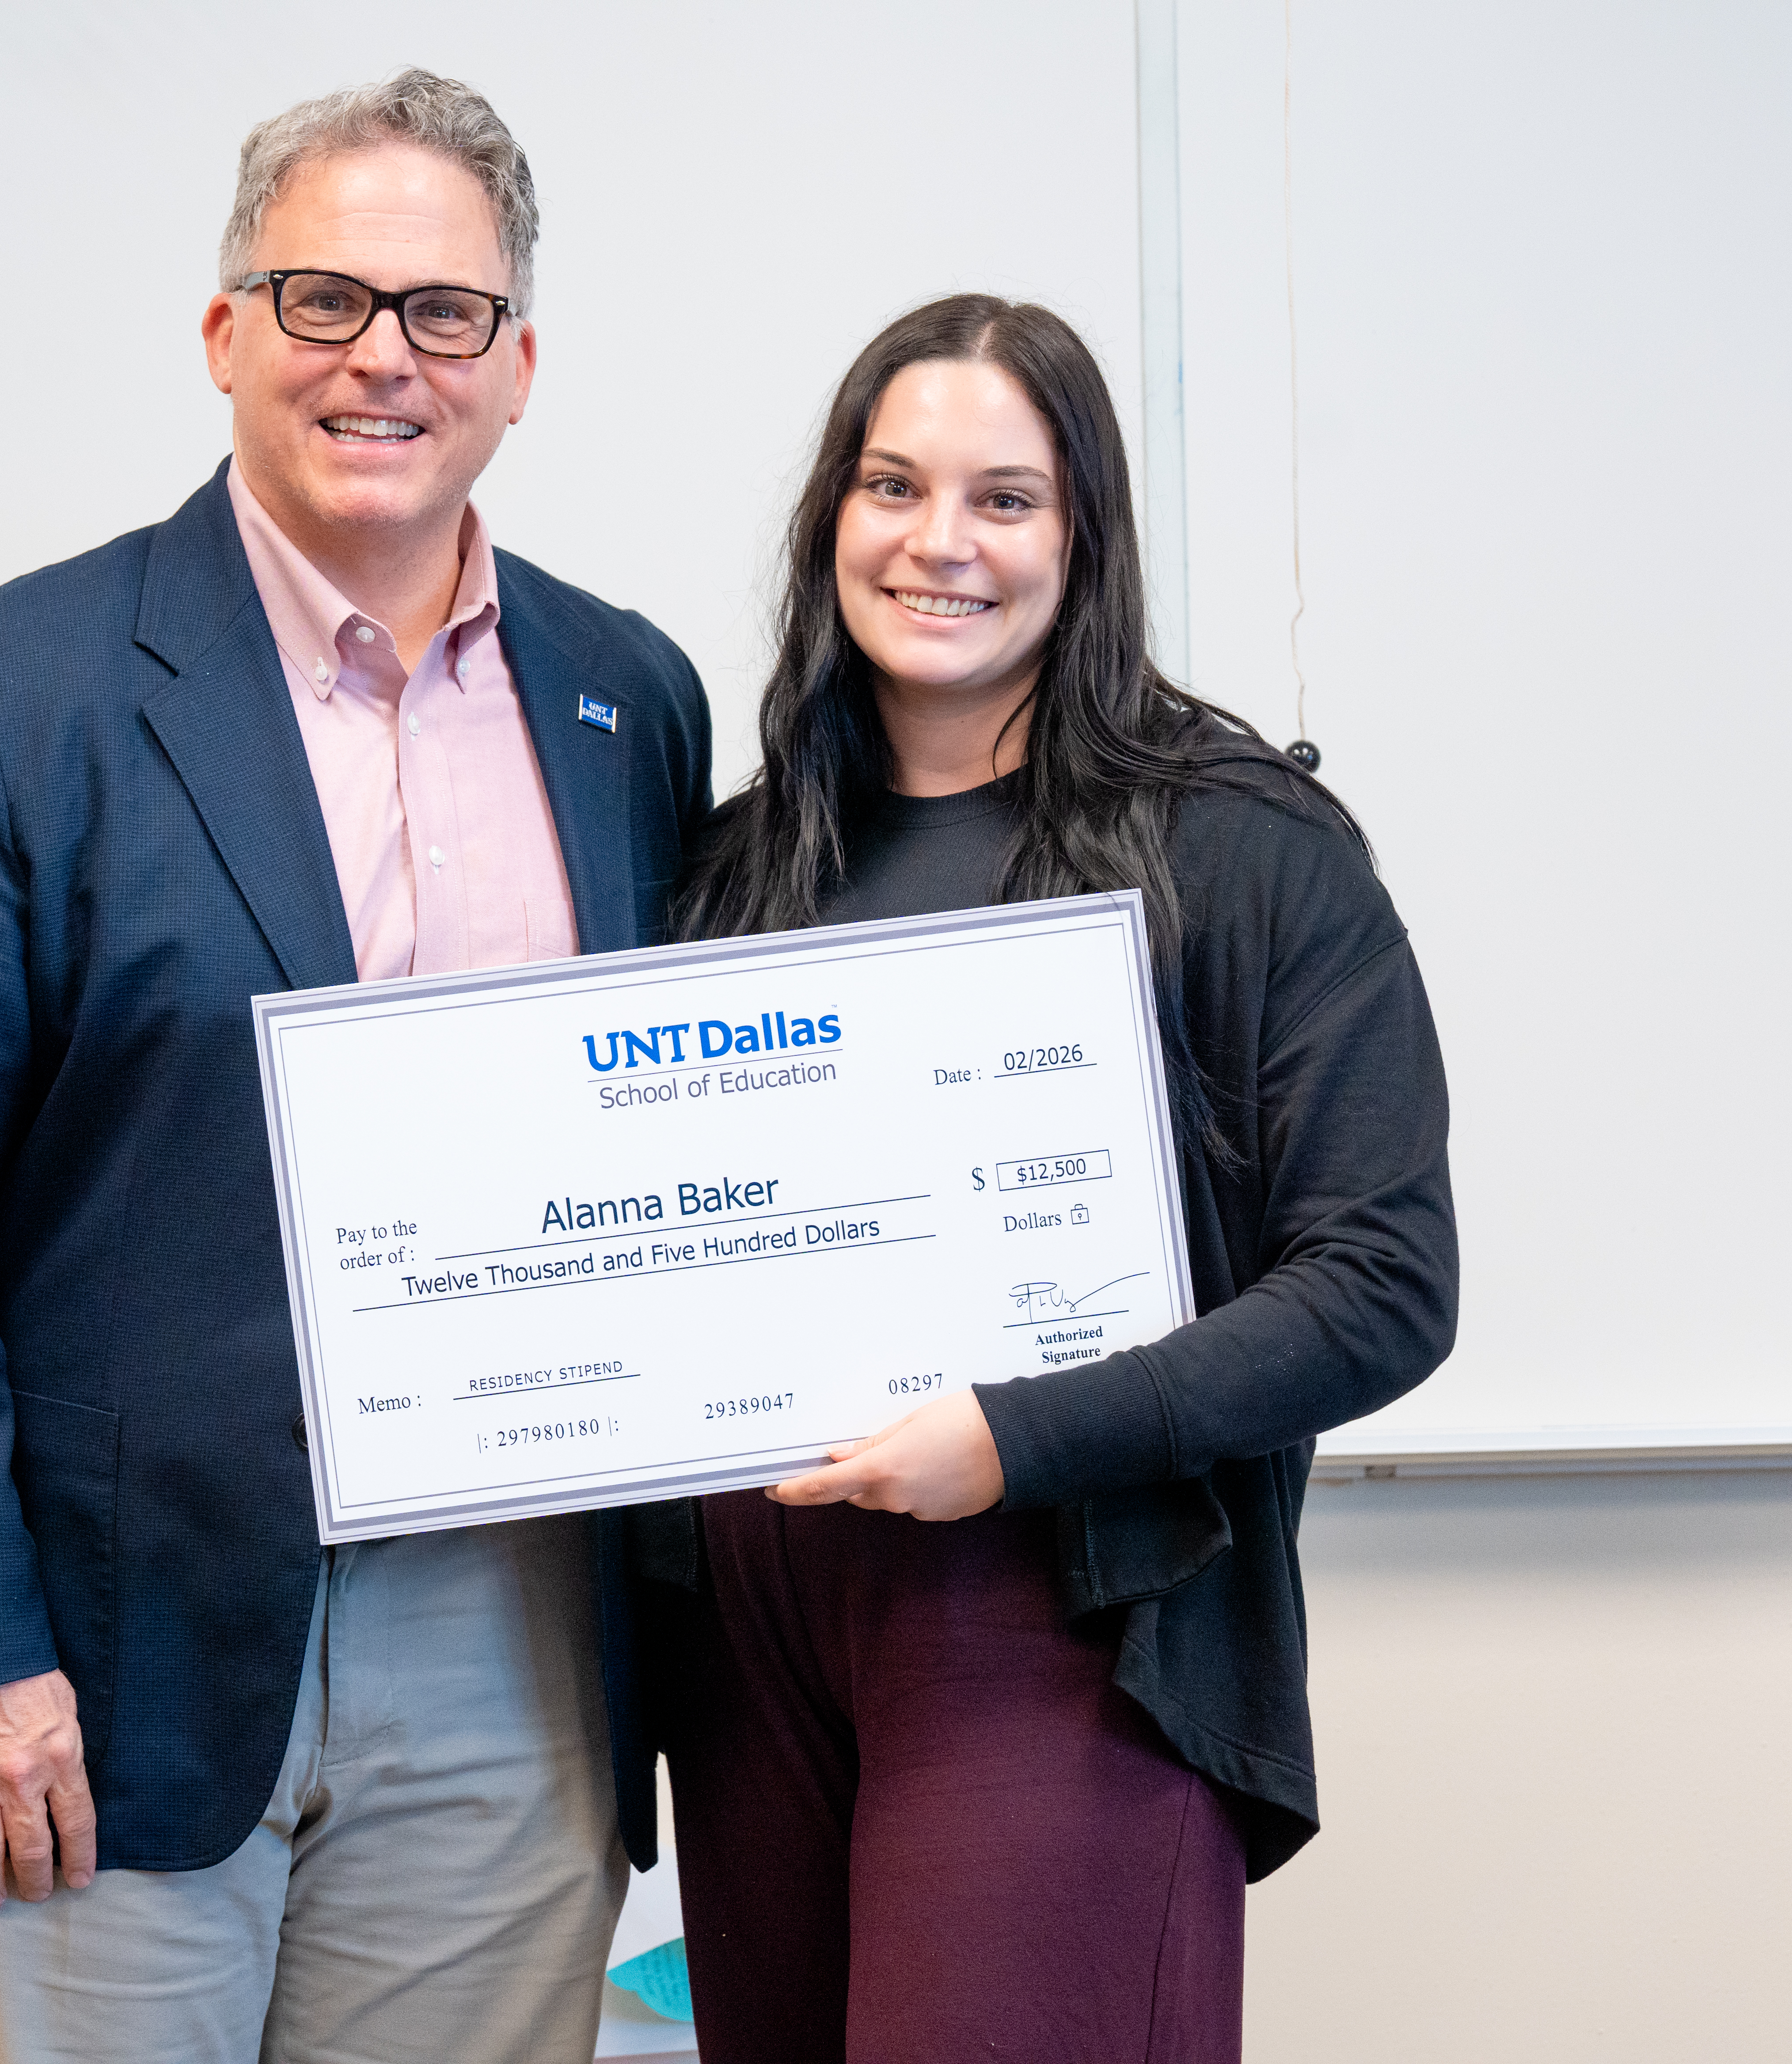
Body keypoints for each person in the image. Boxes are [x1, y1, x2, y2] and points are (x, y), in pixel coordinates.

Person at [0, 69, 710, 2064]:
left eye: (443, 310)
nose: (384, 356)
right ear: (225, 334)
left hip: (514, 1643)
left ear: (519, 365)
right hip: (93, 1661)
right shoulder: (8, 693)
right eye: (323, 299)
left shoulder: (629, 697)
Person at [645, 296, 1457, 2062]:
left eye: (1004, 499)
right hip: (751, 1642)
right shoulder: (734, 868)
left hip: (1058, 1610)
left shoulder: (1243, 848)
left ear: (1084, 540)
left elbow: (1383, 1283)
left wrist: (1018, 1437)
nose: (939, 541)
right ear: (831, 518)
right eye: (892, 486)